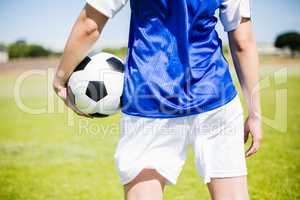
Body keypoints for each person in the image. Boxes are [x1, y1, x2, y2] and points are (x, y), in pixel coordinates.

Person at [53, 0, 262, 199]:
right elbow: (243, 42)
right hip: (216, 93)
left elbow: (89, 25)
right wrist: (255, 113)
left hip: (149, 96)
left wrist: (60, 78)